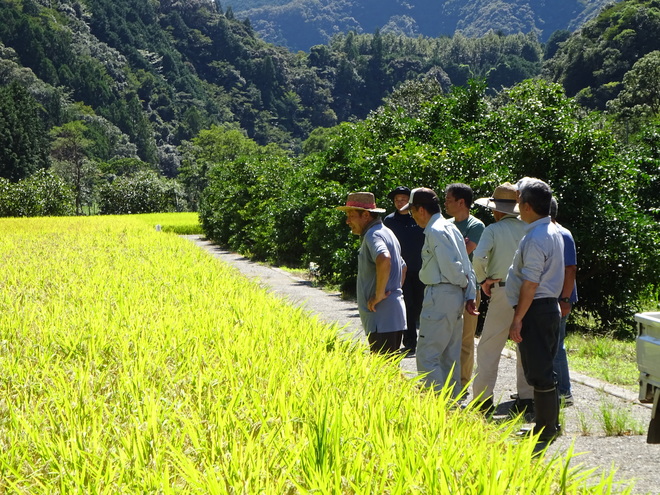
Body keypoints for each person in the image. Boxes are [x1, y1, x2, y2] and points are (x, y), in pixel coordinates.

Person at [400, 187, 478, 398]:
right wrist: (469, 293)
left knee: (427, 355)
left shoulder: (435, 231)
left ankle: (433, 406)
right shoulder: (450, 227)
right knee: (449, 356)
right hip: (454, 297)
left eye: (412, 211)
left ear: (421, 210)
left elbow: (453, 268)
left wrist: (462, 285)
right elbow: (467, 265)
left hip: (441, 295)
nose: (413, 217)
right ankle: (451, 406)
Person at [506, 178, 564, 442]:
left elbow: (530, 283)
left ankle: (545, 428)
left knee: (538, 371)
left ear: (527, 206)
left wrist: (517, 319)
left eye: (519, 202)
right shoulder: (551, 230)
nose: (517, 207)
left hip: (537, 308)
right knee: (543, 368)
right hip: (547, 307)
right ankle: (548, 424)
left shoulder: (537, 237)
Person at [471, 183, 534, 414]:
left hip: (502, 290)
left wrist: (483, 279)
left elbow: (479, 258)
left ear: (496, 209)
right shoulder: (528, 228)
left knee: (489, 346)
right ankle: (527, 398)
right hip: (528, 292)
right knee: (524, 346)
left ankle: (483, 399)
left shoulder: (493, 229)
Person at [337, 192, 407, 354]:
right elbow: (403, 267)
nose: (347, 221)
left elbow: (384, 258)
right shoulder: (386, 232)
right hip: (391, 315)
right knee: (389, 370)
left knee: (382, 370)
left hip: (381, 318)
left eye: (351, 215)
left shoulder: (372, 234)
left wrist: (379, 295)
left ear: (366, 215)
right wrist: (393, 292)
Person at [444, 183, 485, 390]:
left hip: (470, 288)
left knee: (466, 340)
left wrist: (454, 247)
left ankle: (462, 383)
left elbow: (462, 254)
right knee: (447, 337)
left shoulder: (476, 226)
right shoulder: (446, 224)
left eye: (448, 200)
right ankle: (448, 380)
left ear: (461, 202)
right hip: (448, 288)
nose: (445, 204)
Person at [384, 186, 425, 356]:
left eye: (403, 199)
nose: (399, 203)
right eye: (396, 200)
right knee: (406, 305)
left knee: (422, 305)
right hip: (400, 271)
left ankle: (425, 341)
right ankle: (409, 342)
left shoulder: (418, 219)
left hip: (422, 269)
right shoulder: (389, 221)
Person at [550, 197, 578, 406]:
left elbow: (570, 269)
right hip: (553, 297)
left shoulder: (562, 234)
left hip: (560, 298)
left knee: (557, 344)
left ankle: (563, 392)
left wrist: (565, 299)